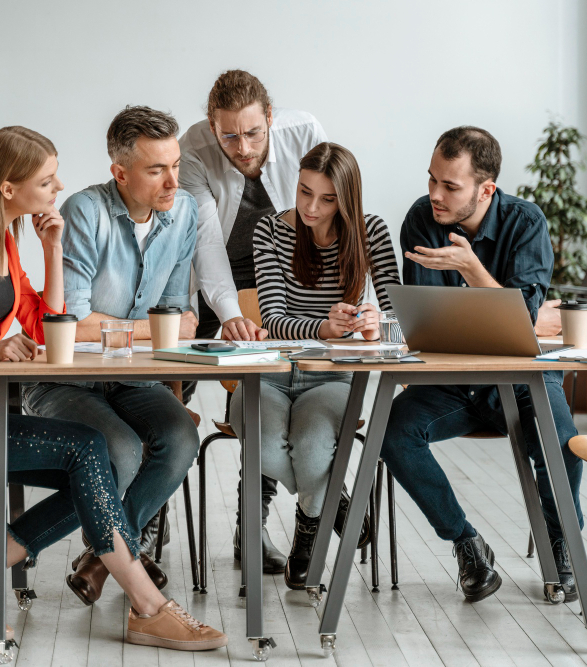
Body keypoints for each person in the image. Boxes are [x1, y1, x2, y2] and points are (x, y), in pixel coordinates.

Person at [0, 126, 225, 651]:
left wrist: (52, 249)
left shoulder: (7, 238)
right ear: (9, 188)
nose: (59, 186)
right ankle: (148, 605)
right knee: (88, 448)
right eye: (47, 178)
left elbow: (46, 323)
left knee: (94, 465)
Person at [380, 126, 582, 603]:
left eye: (450, 186)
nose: (435, 194)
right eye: (432, 180)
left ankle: (563, 547)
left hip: (520, 376)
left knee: (562, 443)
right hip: (454, 380)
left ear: (486, 189)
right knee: (392, 433)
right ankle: (466, 542)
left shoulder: (525, 222)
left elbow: (521, 318)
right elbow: (428, 318)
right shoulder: (420, 219)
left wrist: (473, 270)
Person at [21, 107, 201, 604]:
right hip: (66, 381)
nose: (172, 181)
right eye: (156, 169)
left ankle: (104, 555)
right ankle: (124, 556)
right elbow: (74, 324)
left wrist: (149, 329)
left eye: (176, 165)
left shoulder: (183, 211)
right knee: (119, 448)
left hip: (132, 377)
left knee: (181, 435)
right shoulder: (85, 211)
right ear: (119, 172)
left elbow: (182, 316)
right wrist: (153, 330)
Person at [228, 142, 399, 589]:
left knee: (310, 446)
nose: (310, 207)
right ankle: (335, 503)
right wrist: (323, 328)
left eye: (326, 199)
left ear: (346, 199)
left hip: (332, 377)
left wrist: (376, 323)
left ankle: (308, 534)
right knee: (263, 448)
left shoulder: (370, 232)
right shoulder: (270, 230)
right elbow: (276, 318)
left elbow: (404, 318)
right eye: (305, 192)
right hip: (267, 373)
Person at [178, 70, 328, 572]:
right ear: (211, 125)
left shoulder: (303, 131)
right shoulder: (194, 149)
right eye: (229, 136)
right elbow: (206, 243)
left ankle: (251, 528)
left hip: (284, 272)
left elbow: (327, 211)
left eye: (252, 133)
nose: (242, 148)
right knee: (168, 385)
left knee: (267, 391)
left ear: (270, 118)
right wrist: (230, 316)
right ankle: (146, 522)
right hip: (213, 273)